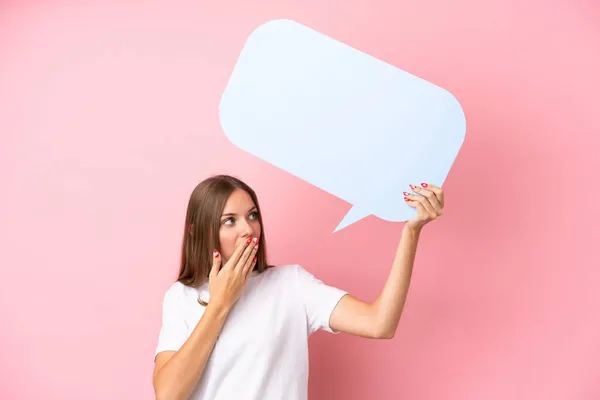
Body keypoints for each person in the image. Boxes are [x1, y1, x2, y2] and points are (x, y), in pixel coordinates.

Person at [152, 174, 444, 400]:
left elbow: (380, 323)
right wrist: (220, 303)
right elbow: (169, 394)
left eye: (253, 215)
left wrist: (411, 231)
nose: (248, 229)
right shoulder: (182, 297)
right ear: (199, 231)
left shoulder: (290, 285)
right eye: (230, 221)